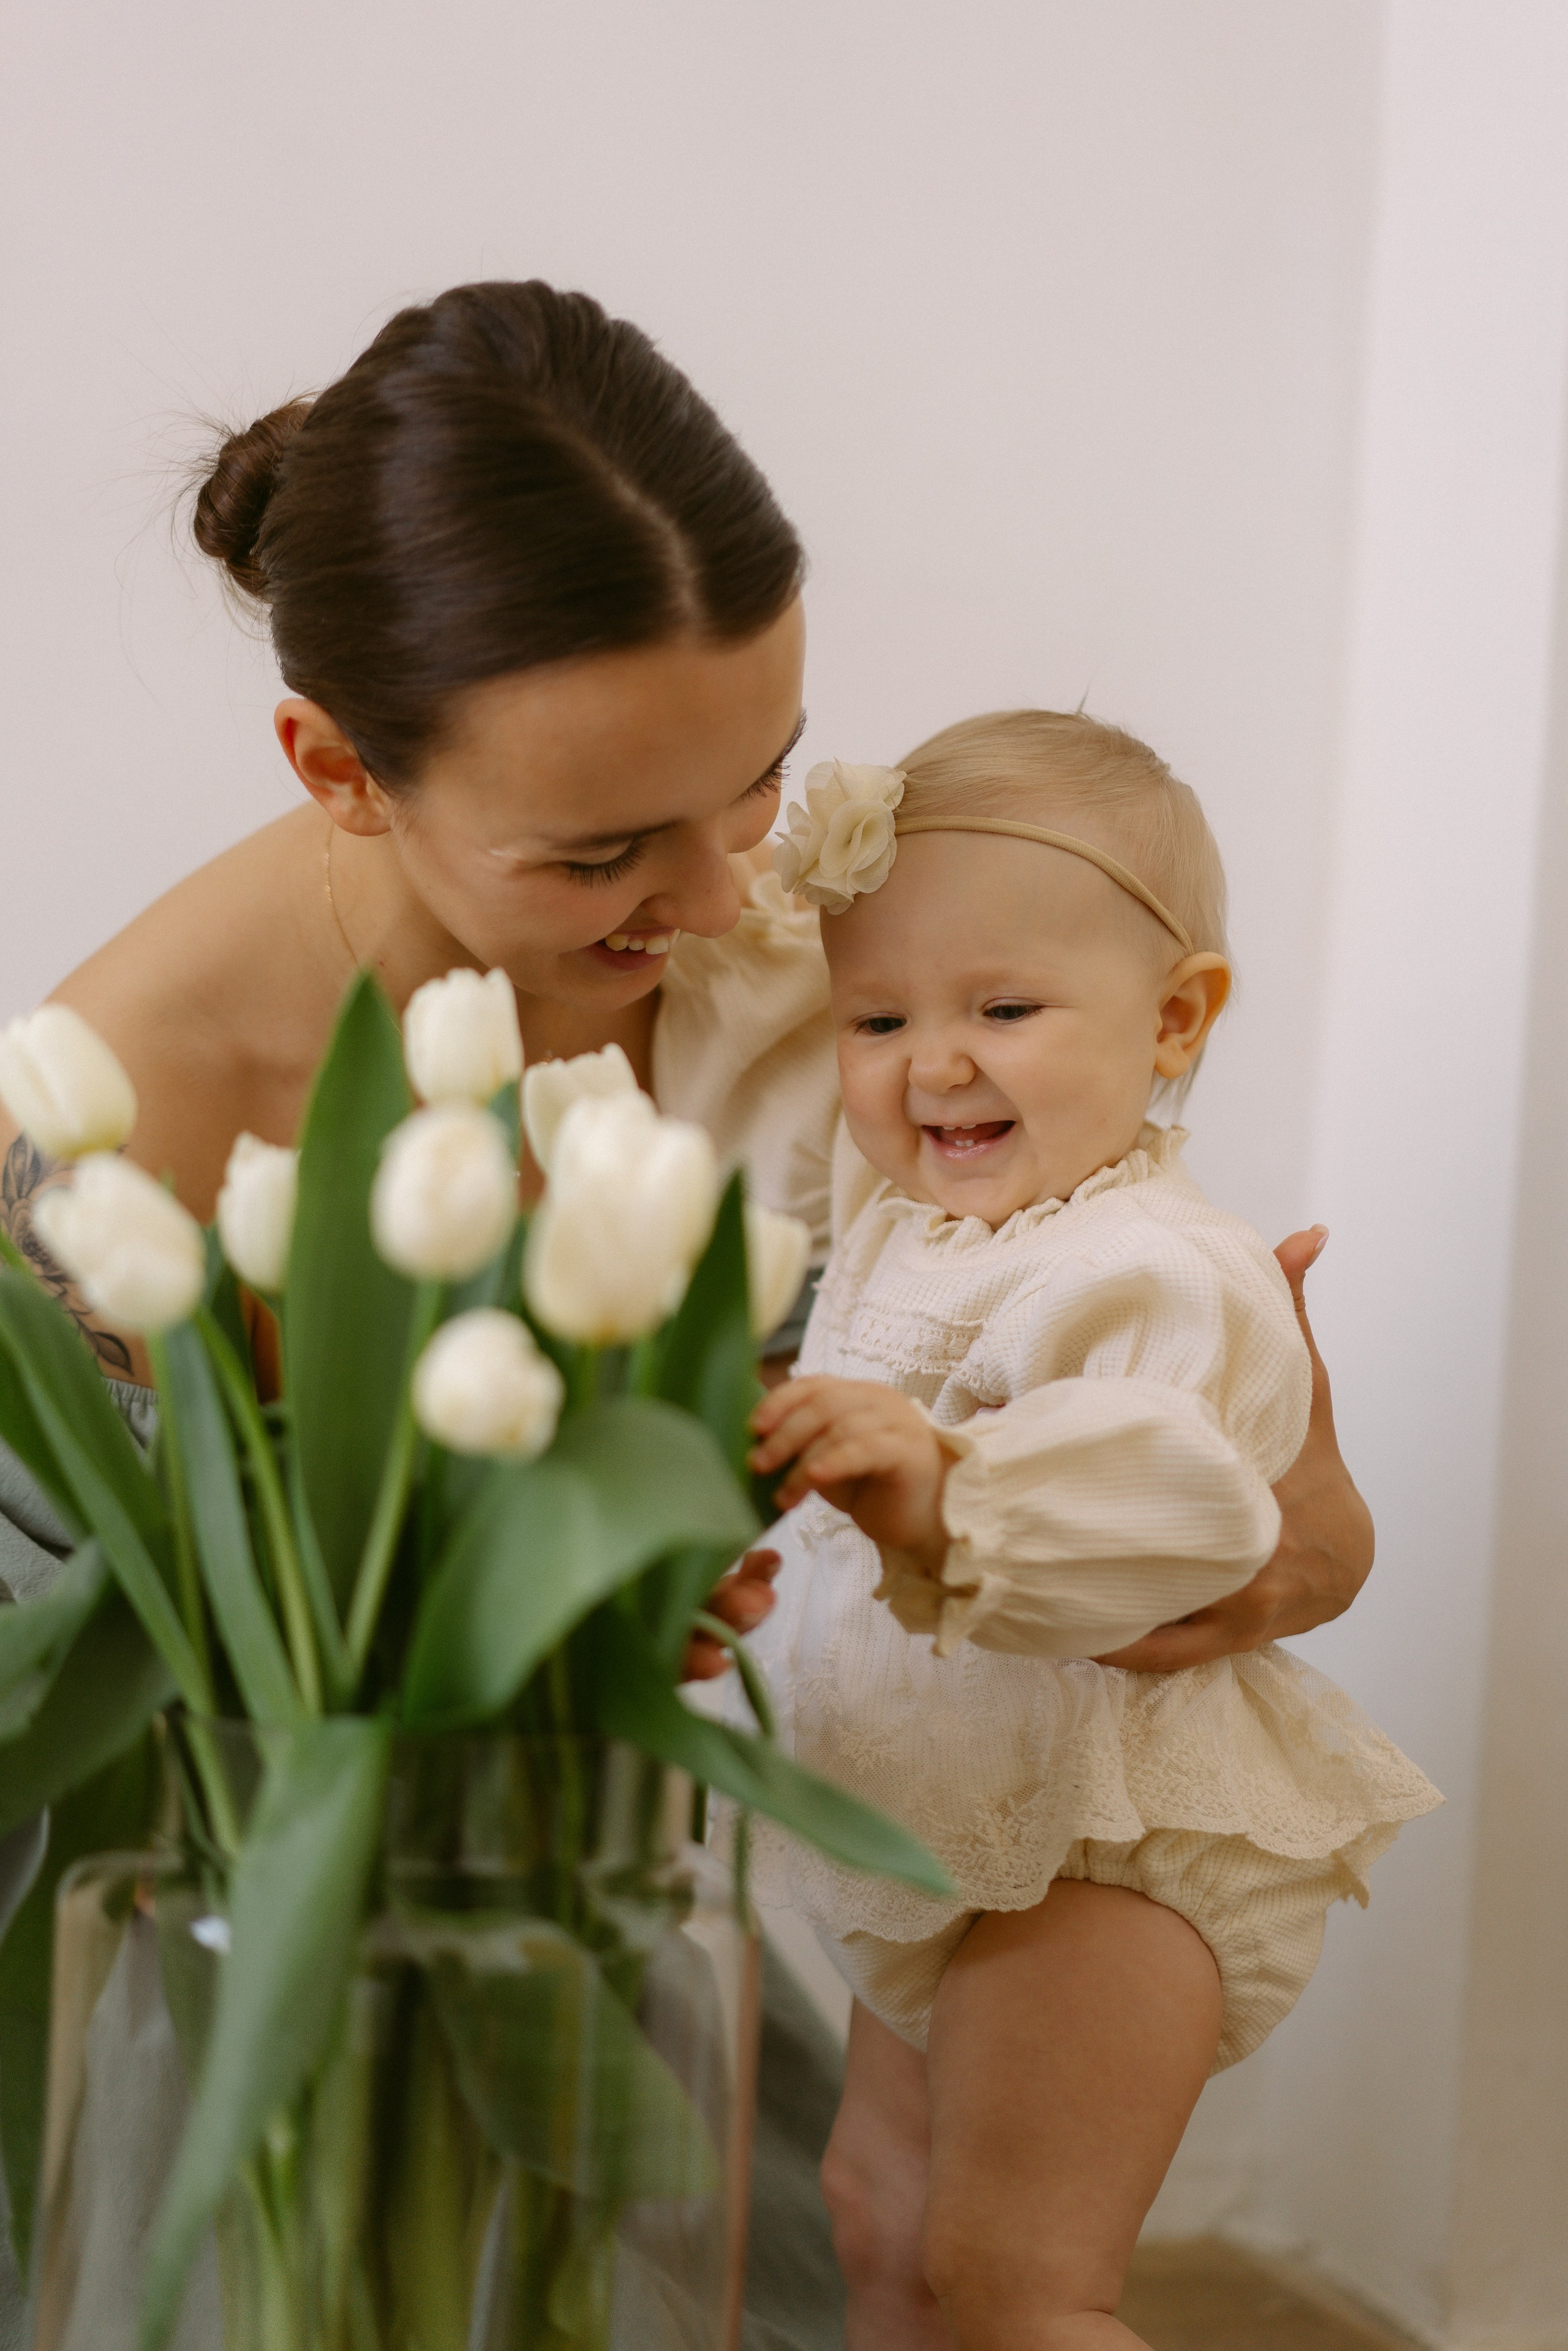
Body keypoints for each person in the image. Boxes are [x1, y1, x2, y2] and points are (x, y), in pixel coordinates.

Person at [0, 283, 1376, 2350]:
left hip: (663, 1908)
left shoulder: (844, 967)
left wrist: (1237, 1504)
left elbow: (1276, 1523)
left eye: (761, 780)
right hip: (261, 1979)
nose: (733, 901)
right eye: (599, 853)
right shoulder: (111, 1151)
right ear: (337, 769)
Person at [732, 712, 1442, 2350]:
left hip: (1110, 1843)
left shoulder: (1158, 1265)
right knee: (879, 2219)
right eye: (879, 1014)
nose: (934, 1060)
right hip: (954, 1817)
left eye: (1005, 1008)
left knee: (1015, 2273)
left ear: (1176, 1018)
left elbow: (1164, 1503)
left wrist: (939, 1488)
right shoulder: (901, 1228)